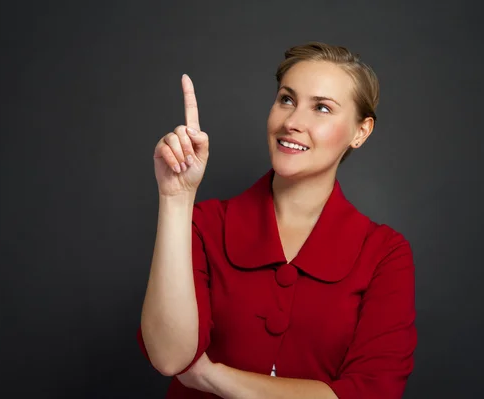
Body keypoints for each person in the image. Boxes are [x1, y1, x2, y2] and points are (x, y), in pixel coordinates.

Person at [137, 42, 417, 399]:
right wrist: (176, 200)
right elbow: (170, 358)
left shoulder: (385, 253)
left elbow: (372, 392)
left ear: (361, 131)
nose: (292, 122)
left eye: (321, 108)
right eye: (287, 99)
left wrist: (211, 376)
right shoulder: (206, 224)